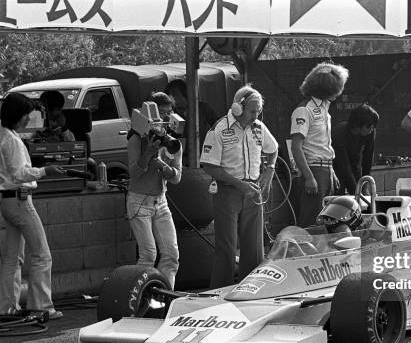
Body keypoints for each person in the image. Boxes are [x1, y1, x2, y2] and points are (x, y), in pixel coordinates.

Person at [201, 85, 278, 288]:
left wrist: (269, 170)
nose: (256, 116)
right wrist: (239, 184)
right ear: (238, 108)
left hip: (253, 192)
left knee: (254, 247)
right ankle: (219, 292)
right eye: (252, 111)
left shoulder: (259, 128)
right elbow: (209, 166)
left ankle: (251, 290)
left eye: (258, 111)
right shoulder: (219, 129)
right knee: (226, 247)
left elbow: (274, 149)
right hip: (227, 191)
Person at [0, 93, 65, 318]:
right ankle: (41, 307)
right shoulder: (13, 140)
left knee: (12, 258)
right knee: (42, 255)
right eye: (27, 114)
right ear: (19, 115)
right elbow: (20, 174)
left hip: (6, 200)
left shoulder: (3, 135)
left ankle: (7, 307)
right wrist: (45, 170)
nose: (29, 119)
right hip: (20, 199)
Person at [126, 92, 182, 289]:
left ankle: (164, 297)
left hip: (161, 201)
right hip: (139, 201)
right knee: (148, 255)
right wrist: (148, 153)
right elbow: (134, 174)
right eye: (162, 114)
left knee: (171, 255)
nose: (166, 119)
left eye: (169, 113)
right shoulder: (136, 139)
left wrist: (162, 166)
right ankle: (138, 298)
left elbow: (176, 178)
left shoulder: (172, 143)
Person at [290, 62, 349, 227]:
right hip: (313, 169)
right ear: (328, 88)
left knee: (325, 219)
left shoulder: (325, 108)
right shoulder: (304, 109)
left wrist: (332, 172)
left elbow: (323, 144)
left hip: (327, 169)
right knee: (312, 220)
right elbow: (296, 147)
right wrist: (308, 176)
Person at [332, 104, 379, 195]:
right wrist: (357, 193)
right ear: (358, 124)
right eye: (369, 126)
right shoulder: (339, 133)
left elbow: (367, 159)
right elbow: (344, 166)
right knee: (341, 197)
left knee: (363, 196)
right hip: (337, 168)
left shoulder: (370, 132)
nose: (372, 130)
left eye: (373, 127)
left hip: (355, 166)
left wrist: (364, 186)